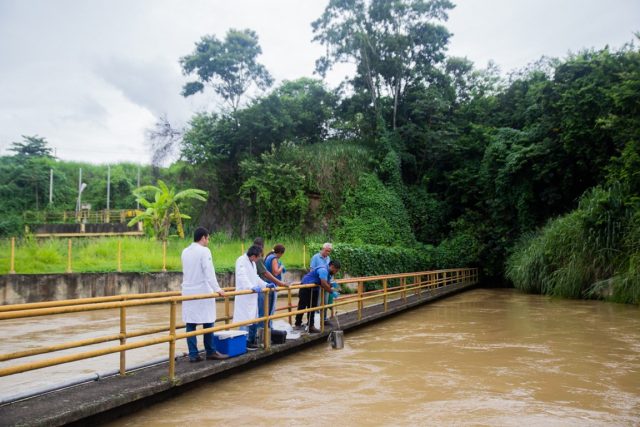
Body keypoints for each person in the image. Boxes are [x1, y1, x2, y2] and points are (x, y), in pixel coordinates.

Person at [181, 227, 229, 362]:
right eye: (208, 238)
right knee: (208, 321)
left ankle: (193, 354)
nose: (208, 241)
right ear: (203, 238)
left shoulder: (185, 251)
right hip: (202, 291)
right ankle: (211, 351)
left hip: (188, 292)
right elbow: (209, 272)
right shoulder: (204, 251)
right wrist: (218, 289)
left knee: (190, 323)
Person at [233, 245, 276, 349]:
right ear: (253, 256)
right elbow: (242, 276)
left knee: (253, 320)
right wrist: (251, 287)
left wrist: (265, 284)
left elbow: (255, 277)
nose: (259, 259)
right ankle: (242, 344)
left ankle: (250, 341)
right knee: (244, 321)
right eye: (258, 257)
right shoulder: (241, 261)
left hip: (252, 297)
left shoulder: (252, 263)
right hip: (244, 296)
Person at [294, 260, 341, 333]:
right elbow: (324, 283)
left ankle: (311, 326)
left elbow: (326, 282)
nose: (336, 272)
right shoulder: (323, 270)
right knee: (302, 306)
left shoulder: (329, 272)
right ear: (332, 267)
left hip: (314, 288)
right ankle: (298, 324)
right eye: (336, 270)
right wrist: (332, 292)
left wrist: (332, 285)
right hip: (305, 287)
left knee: (313, 307)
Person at [253, 238, 289, 329]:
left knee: (262, 310)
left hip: (264, 286)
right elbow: (274, 272)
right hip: (269, 287)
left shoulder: (268, 257)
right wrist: (281, 268)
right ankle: (267, 329)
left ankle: (264, 330)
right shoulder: (272, 258)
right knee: (269, 310)